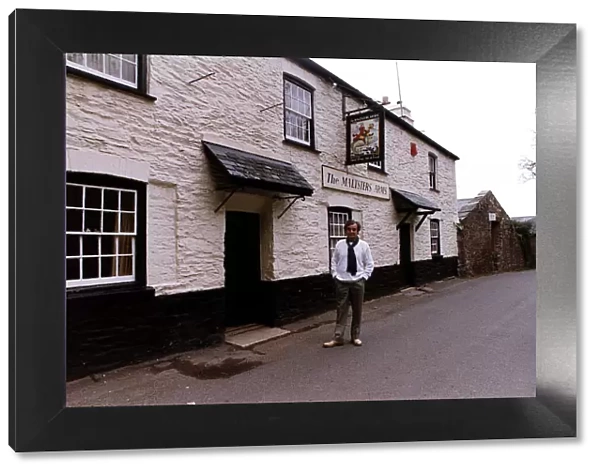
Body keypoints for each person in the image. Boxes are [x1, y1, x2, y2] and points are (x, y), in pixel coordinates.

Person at [323, 219, 374, 348]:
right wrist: (334, 275)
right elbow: (334, 261)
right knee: (341, 310)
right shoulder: (340, 244)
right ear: (345, 230)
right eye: (349, 229)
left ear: (357, 231)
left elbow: (370, 263)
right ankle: (338, 337)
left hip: (357, 282)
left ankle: (355, 336)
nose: (351, 231)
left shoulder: (364, 245)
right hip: (342, 282)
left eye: (354, 229)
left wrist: (364, 277)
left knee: (357, 310)